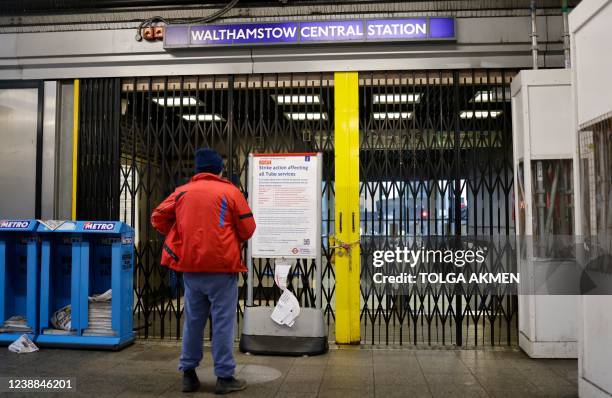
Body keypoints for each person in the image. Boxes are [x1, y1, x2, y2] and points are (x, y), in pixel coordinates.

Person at [151, 148, 256, 394]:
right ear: (219, 170)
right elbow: (248, 228)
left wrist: (179, 232)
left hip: (190, 269)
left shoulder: (181, 192)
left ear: (197, 171)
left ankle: (188, 374)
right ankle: (224, 377)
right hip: (221, 269)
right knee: (223, 323)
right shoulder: (230, 192)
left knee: (193, 322)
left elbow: (157, 217)